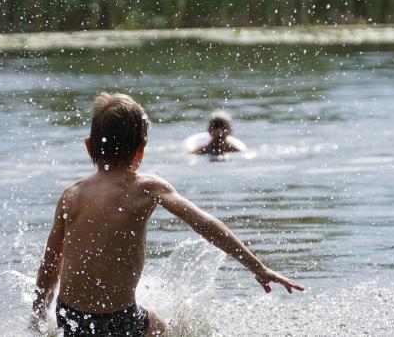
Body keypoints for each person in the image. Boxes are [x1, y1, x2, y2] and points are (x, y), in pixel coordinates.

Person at [32, 93, 303, 337]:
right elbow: (205, 224)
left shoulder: (71, 194)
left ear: (89, 147)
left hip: (70, 318)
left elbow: (50, 264)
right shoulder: (146, 187)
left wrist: (38, 318)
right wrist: (259, 267)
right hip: (118, 321)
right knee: (165, 328)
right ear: (141, 148)